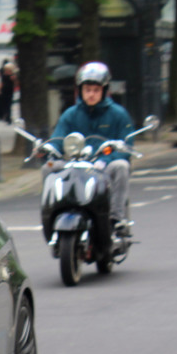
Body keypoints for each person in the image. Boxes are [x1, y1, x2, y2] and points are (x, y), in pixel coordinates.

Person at [46, 61, 135, 230]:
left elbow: (127, 145)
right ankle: (51, 214)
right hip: (76, 164)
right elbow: (58, 137)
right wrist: (50, 149)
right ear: (80, 90)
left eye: (96, 90)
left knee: (121, 166)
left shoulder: (118, 114)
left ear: (104, 90)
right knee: (49, 167)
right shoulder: (70, 114)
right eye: (87, 90)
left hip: (104, 166)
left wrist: (107, 159)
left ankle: (117, 218)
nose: (91, 94)